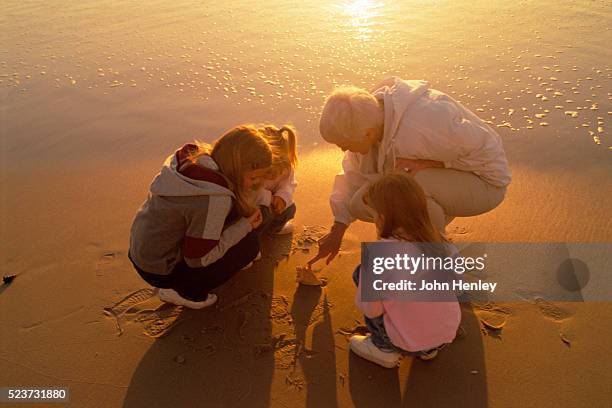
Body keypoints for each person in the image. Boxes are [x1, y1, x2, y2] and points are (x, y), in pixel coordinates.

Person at [309, 77, 511, 267]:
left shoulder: (425, 122)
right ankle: (411, 239)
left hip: (485, 183)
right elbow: (351, 178)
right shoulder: (366, 121)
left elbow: (489, 150)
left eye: (343, 144)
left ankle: (439, 257)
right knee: (360, 203)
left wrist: (434, 163)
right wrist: (338, 229)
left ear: (367, 133)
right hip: (437, 182)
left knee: (405, 186)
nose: (343, 150)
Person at [128, 125, 272, 309]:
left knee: (238, 221)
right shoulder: (214, 199)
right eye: (253, 178)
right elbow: (198, 259)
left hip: (142, 251)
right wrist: (244, 226)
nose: (257, 184)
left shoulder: (193, 162)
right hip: (160, 269)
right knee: (249, 245)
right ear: (236, 168)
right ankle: (185, 292)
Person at [350, 172, 461, 368]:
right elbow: (457, 288)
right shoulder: (442, 241)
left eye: (374, 214)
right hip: (445, 334)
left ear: (383, 217)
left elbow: (370, 309)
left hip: (406, 341)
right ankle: (429, 349)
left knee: (361, 275)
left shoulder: (380, 254)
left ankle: (383, 348)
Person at [253, 125, 299, 235]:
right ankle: (253, 237)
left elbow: (289, 184)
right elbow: (248, 191)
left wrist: (282, 197)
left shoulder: (286, 165)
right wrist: (269, 198)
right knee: (262, 213)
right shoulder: (251, 169)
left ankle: (273, 229)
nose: (273, 176)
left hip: (272, 203)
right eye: (269, 172)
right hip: (254, 206)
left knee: (290, 209)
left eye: (278, 170)